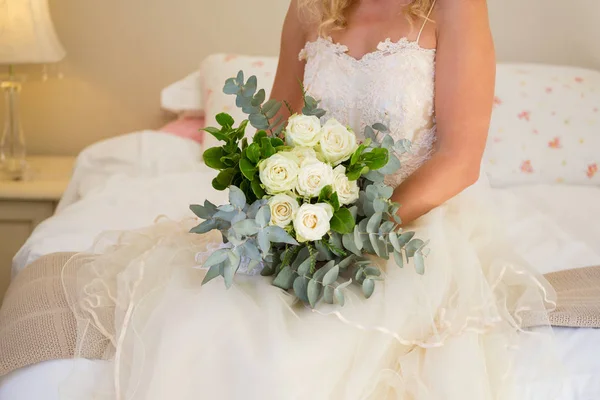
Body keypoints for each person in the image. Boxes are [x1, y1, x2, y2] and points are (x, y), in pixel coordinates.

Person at [61, 1, 562, 398]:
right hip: (307, 217)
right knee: (207, 318)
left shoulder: (453, 6)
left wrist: (356, 230)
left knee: (324, 345)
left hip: (412, 221)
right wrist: (276, 210)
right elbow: (276, 127)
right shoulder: (310, 6)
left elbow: (460, 158)